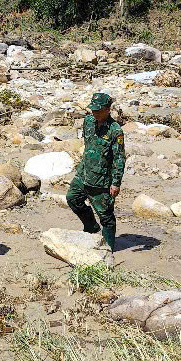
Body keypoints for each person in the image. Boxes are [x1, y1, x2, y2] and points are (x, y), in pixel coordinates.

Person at [66, 92, 126, 251]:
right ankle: (91, 227)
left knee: (106, 217)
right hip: (84, 173)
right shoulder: (88, 121)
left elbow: (119, 158)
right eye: (93, 110)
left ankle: (109, 249)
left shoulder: (115, 130)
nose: (95, 113)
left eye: (98, 110)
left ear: (108, 109)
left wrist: (116, 183)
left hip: (102, 179)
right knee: (73, 199)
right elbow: (88, 144)